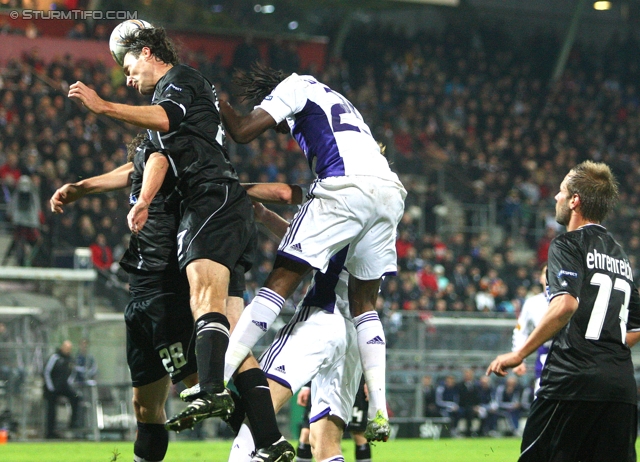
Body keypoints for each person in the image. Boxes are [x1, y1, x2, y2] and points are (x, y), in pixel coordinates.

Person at [65, 26, 281, 457]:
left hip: (197, 223)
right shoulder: (161, 132)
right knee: (158, 395)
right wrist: (81, 187)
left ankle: (238, 417)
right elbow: (143, 160)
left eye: (128, 67)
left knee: (202, 352)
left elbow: (165, 131)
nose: (127, 78)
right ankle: (270, 442)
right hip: (171, 253)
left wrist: (103, 106)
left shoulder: (178, 85)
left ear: (147, 52)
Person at [219, 64, 407, 442]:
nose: (277, 127)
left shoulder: (294, 86)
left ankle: (218, 374)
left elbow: (241, 131)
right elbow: (301, 202)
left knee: (280, 281)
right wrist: (260, 206)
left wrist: (213, 100)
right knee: (365, 305)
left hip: (342, 192)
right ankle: (379, 410)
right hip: (390, 193)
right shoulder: (342, 108)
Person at [487, 161, 640, 461]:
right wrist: (603, 352)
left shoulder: (567, 245)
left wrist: (519, 354)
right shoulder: (621, 256)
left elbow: (565, 304)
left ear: (575, 200)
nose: (556, 197)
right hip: (620, 386)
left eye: (561, 191)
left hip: (570, 384)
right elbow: (636, 326)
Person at [214, 184, 363, 462]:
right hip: (353, 331)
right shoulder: (382, 216)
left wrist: (229, 187)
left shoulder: (339, 192)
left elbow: (287, 197)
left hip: (320, 319)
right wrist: (267, 217)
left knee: (259, 415)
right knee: (325, 443)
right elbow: (317, 247)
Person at [511, 265, 549, 392]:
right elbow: (521, 331)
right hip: (545, 358)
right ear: (540, 278)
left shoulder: (570, 301)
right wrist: (519, 358)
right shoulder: (532, 303)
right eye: (546, 273)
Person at [43, 340, 80, 439]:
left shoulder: (70, 359)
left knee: (76, 397)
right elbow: (46, 372)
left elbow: (73, 372)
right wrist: (51, 387)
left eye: (69, 348)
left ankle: (73, 423)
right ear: (62, 347)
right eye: (66, 347)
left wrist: (68, 383)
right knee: (51, 409)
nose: (68, 350)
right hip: (52, 388)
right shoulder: (55, 357)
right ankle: (50, 432)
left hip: (64, 386)